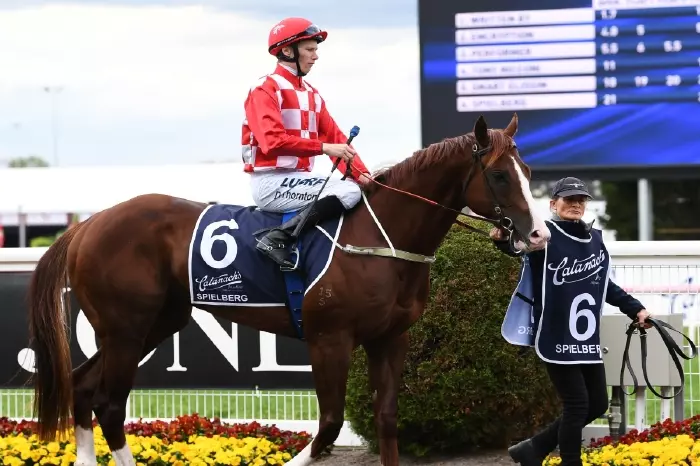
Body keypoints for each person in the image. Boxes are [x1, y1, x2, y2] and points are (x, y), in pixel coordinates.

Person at [491, 177, 652, 466]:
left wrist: (635, 309)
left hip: (586, 340)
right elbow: (516, 247)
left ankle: (534, 448)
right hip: (555, 334)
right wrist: (502, 240)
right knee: (577, 404)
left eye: (581, 199)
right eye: (569, 199)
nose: (576, 204)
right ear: (553, 204)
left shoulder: (595, 239)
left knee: (597, 404)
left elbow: (605, 285)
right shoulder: (544, 235)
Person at [241, 17, 372, 268]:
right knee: (349, 190)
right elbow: (272, 141)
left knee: (359, 187)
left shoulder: (312, 94)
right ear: (288, 51)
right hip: (270, 183)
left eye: (316, 50)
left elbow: (336, 139)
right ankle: (279, 237)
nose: (315, 56)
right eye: (310, 49)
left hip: (296, 180)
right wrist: (322, 148)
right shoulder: (264, 89)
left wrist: (365, 176)